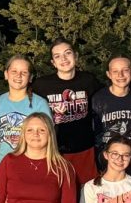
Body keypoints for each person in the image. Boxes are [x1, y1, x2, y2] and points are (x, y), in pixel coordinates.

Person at [32, 40, 101, 186]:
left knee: (87, 196)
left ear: (75, 56)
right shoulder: (41, 85)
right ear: (53, 62)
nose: (63, 59)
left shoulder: (88, 80)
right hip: (55, 151)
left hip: (85, 149)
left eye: (67, 53)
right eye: (57, 56)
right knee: (60, 196)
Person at [91, 57, 131, 169]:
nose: (120, 75)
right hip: (106, 159)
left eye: (125, 70)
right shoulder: (98, 98)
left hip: (130, 158)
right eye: (115, 71)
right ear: (108, 74)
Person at [0, 55, 50, 165]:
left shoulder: (39, 104)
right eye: (14, 71)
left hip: (32, 165)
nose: (18, 75)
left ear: (30, 77)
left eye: (24, 72)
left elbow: (48, 139)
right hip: (3, 165)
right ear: (6, 74)